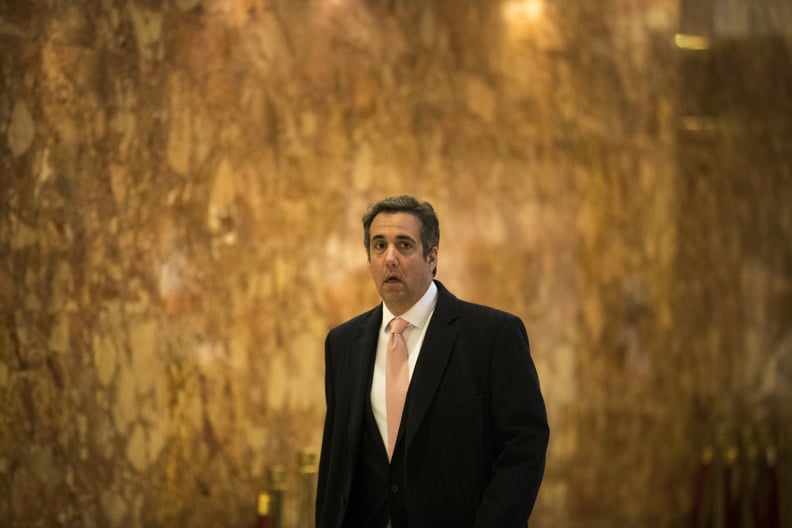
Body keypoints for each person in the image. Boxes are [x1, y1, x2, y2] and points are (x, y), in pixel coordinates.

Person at [316, 195, 549, 527]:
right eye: (379, 246)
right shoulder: (342, 343)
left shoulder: (493, 335)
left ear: (432, 257)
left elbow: (524, 446)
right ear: (369, 259)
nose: (390, 258)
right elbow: (335, 459)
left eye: (405, 245)